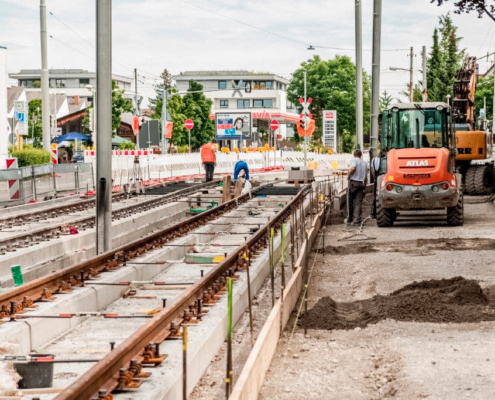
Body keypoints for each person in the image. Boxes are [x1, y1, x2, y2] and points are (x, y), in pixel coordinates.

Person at [347, 149, 368, 226]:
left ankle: (349, 219)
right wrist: (365, 185)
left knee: (350, 202)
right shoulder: (364, 163)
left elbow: (353, 168)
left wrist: (348, 175)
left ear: (354, 154)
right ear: (361, 155)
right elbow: (366, 177)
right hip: (361, 184)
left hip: (353, 183)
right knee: (358, 203)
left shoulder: (354, 160)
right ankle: (357, 221)